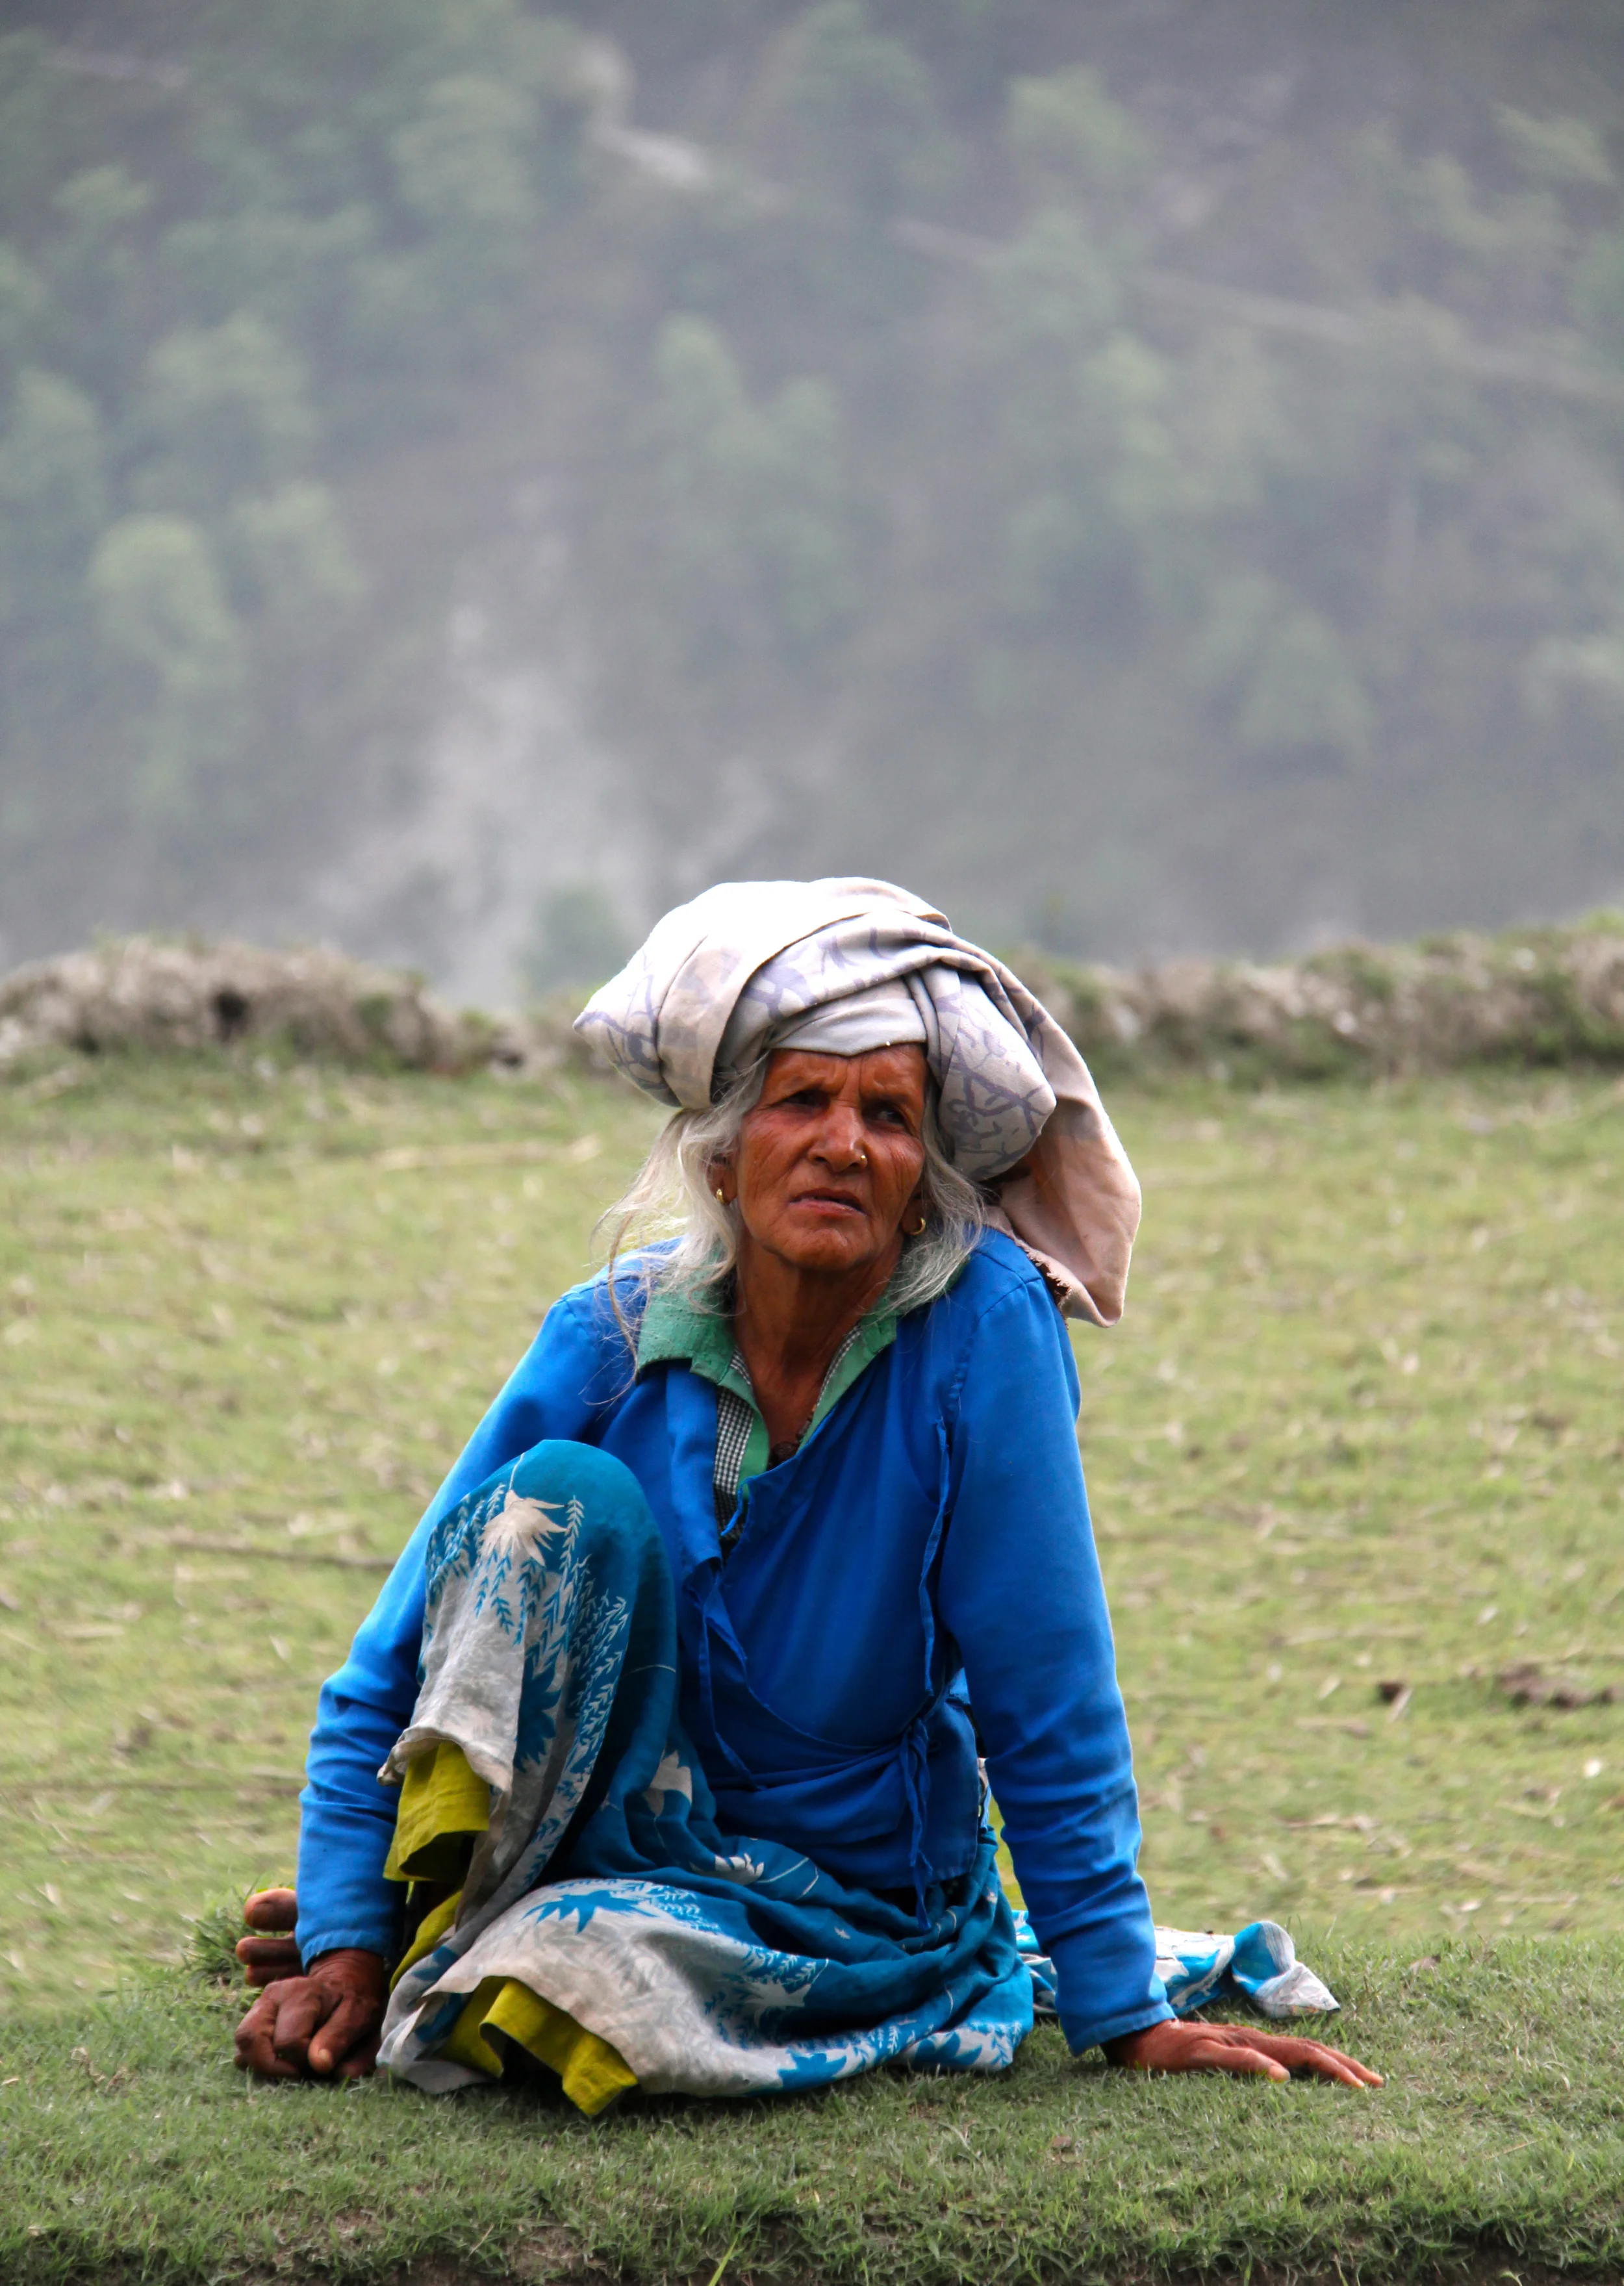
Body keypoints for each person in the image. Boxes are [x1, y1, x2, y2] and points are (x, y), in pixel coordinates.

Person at [235, 878, 1378, 2104]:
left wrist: (1121, 2006)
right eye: (804, 1102)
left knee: (576, 1969)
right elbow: (393, 1664)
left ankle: (487, 1930)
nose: (845, 1142)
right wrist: (346, 1947)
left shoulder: (983, 1334)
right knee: (554, 1498)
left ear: (923, 1178)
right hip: (610, 1843)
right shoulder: (606, 1338)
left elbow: (1046, 1682)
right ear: (725, 1157)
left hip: (855, 1899)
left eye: (889, 1114)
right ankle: (441, 1912)